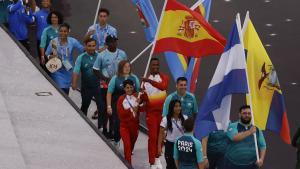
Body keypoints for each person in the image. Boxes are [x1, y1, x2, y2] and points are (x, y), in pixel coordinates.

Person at [93, 35, 127, 136]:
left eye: (115, 41)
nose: (114, 43)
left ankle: (112, 130)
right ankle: (104, 129)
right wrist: (104, 78)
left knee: (115, 108)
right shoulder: (101, 55)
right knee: (105, 109)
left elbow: (127, 66)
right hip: (105, 85)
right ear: (107, 44)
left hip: (118, 85)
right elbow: (95, 69)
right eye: (111, 42)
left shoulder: (122, 54)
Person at [141, 57, 169, 168]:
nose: (156, 67)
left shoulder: (164, 78)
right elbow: (144, 99)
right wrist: (141, 94)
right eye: (153, 65)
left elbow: (163, 87)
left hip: (163, 113)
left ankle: (157, 158)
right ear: (150, 66)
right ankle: (152, 162)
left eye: (157, 65)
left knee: (161, 137)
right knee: (152, 137)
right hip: (151, 114)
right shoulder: (144, 83)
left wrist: (149, 81)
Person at [106, 60, 140, 146]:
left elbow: (139, 93)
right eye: (125, 67)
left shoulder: (134, 78)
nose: (127, 68)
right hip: (118, 106)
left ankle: (130, 145)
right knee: (117, 124)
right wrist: (109, 106)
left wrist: (140, 103)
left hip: (131, 107)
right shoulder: (115, 78)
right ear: (121, 68)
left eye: (128, 66)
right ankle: (117, 140)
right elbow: (109, 93)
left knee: (131, 126)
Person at [45, 23, 84, 95]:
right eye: (61, 31)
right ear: (58, 31)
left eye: (65, 31)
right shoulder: (54, 42)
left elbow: (83, 50)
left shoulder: (72, 41)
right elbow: (47, 54)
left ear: (68, 32)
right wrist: (51, 57)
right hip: (57, 70)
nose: (63, 33)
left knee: (66, 90)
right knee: (61, 90)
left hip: (68, 70)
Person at [117, 79, 146, 165]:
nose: (129, 89)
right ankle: (128, 164)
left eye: (131, 87)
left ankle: (129, 152)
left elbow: (144, 106)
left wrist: (143, 94)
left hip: (135, 126)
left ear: (133, 88)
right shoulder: (121, 99)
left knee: (132, 144)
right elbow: (120, 114)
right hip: (124, 126)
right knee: (127, 145)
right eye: (127, 88)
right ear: (124, 89)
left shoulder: (137, 96)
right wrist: (132, 109)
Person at [72, 38, 103, 117]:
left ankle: (101, 127)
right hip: (86, 88)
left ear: (96, 46)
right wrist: (74, 83)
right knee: (85, 106)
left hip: (98, 87)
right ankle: (82, 122)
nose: (91, 48)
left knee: (101, 107)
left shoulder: (100, 56)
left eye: (93, 46)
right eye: (89, 46)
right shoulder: (81, 57)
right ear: (85, 46)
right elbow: (76, 71)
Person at [158, 99, 187, 169]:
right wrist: (159, 147)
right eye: (176, 106)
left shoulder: (185, 118)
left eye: (179, 106)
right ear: (172, 108)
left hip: (182, 145)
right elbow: (161, 134)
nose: (178, 108)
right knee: (170, 165)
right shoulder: (166, 119)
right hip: (170, 146)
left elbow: (189, 132)